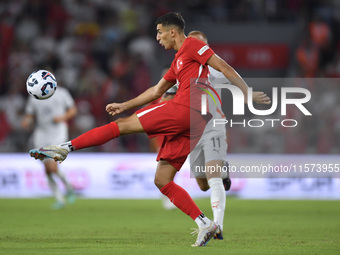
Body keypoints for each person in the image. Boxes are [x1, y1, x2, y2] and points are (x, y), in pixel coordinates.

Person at [29, 12, 270, 246]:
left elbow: (225, 67)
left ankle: (65, 148)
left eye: (159, 32)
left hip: (186, 109)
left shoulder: (192, 45)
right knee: (162, 180)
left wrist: (247, 94)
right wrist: (125, 104)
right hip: (196, 122)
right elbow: (156, 91)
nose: (157, 37)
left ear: (172, 32)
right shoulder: (178, 61)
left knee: (121, 126)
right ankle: (205, 223)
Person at [159, 30, 231, 240]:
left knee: (213, 175)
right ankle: (223, 172)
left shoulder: (217, 70)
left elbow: (235, 80)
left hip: (214, 126)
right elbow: (165, 98)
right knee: (202, 184)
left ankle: (217, 225)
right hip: (191, 131)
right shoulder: (181, 68)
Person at [22, 84, 77, 209]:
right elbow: (30, 114)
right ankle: (64, 194)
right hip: (41, 134)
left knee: (51, 167)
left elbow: (73, 110)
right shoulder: (34, 96)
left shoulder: (62, 92)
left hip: (58, 133)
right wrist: (27, 121)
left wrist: (62, 117)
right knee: (48, 170)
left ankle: (64, 193)